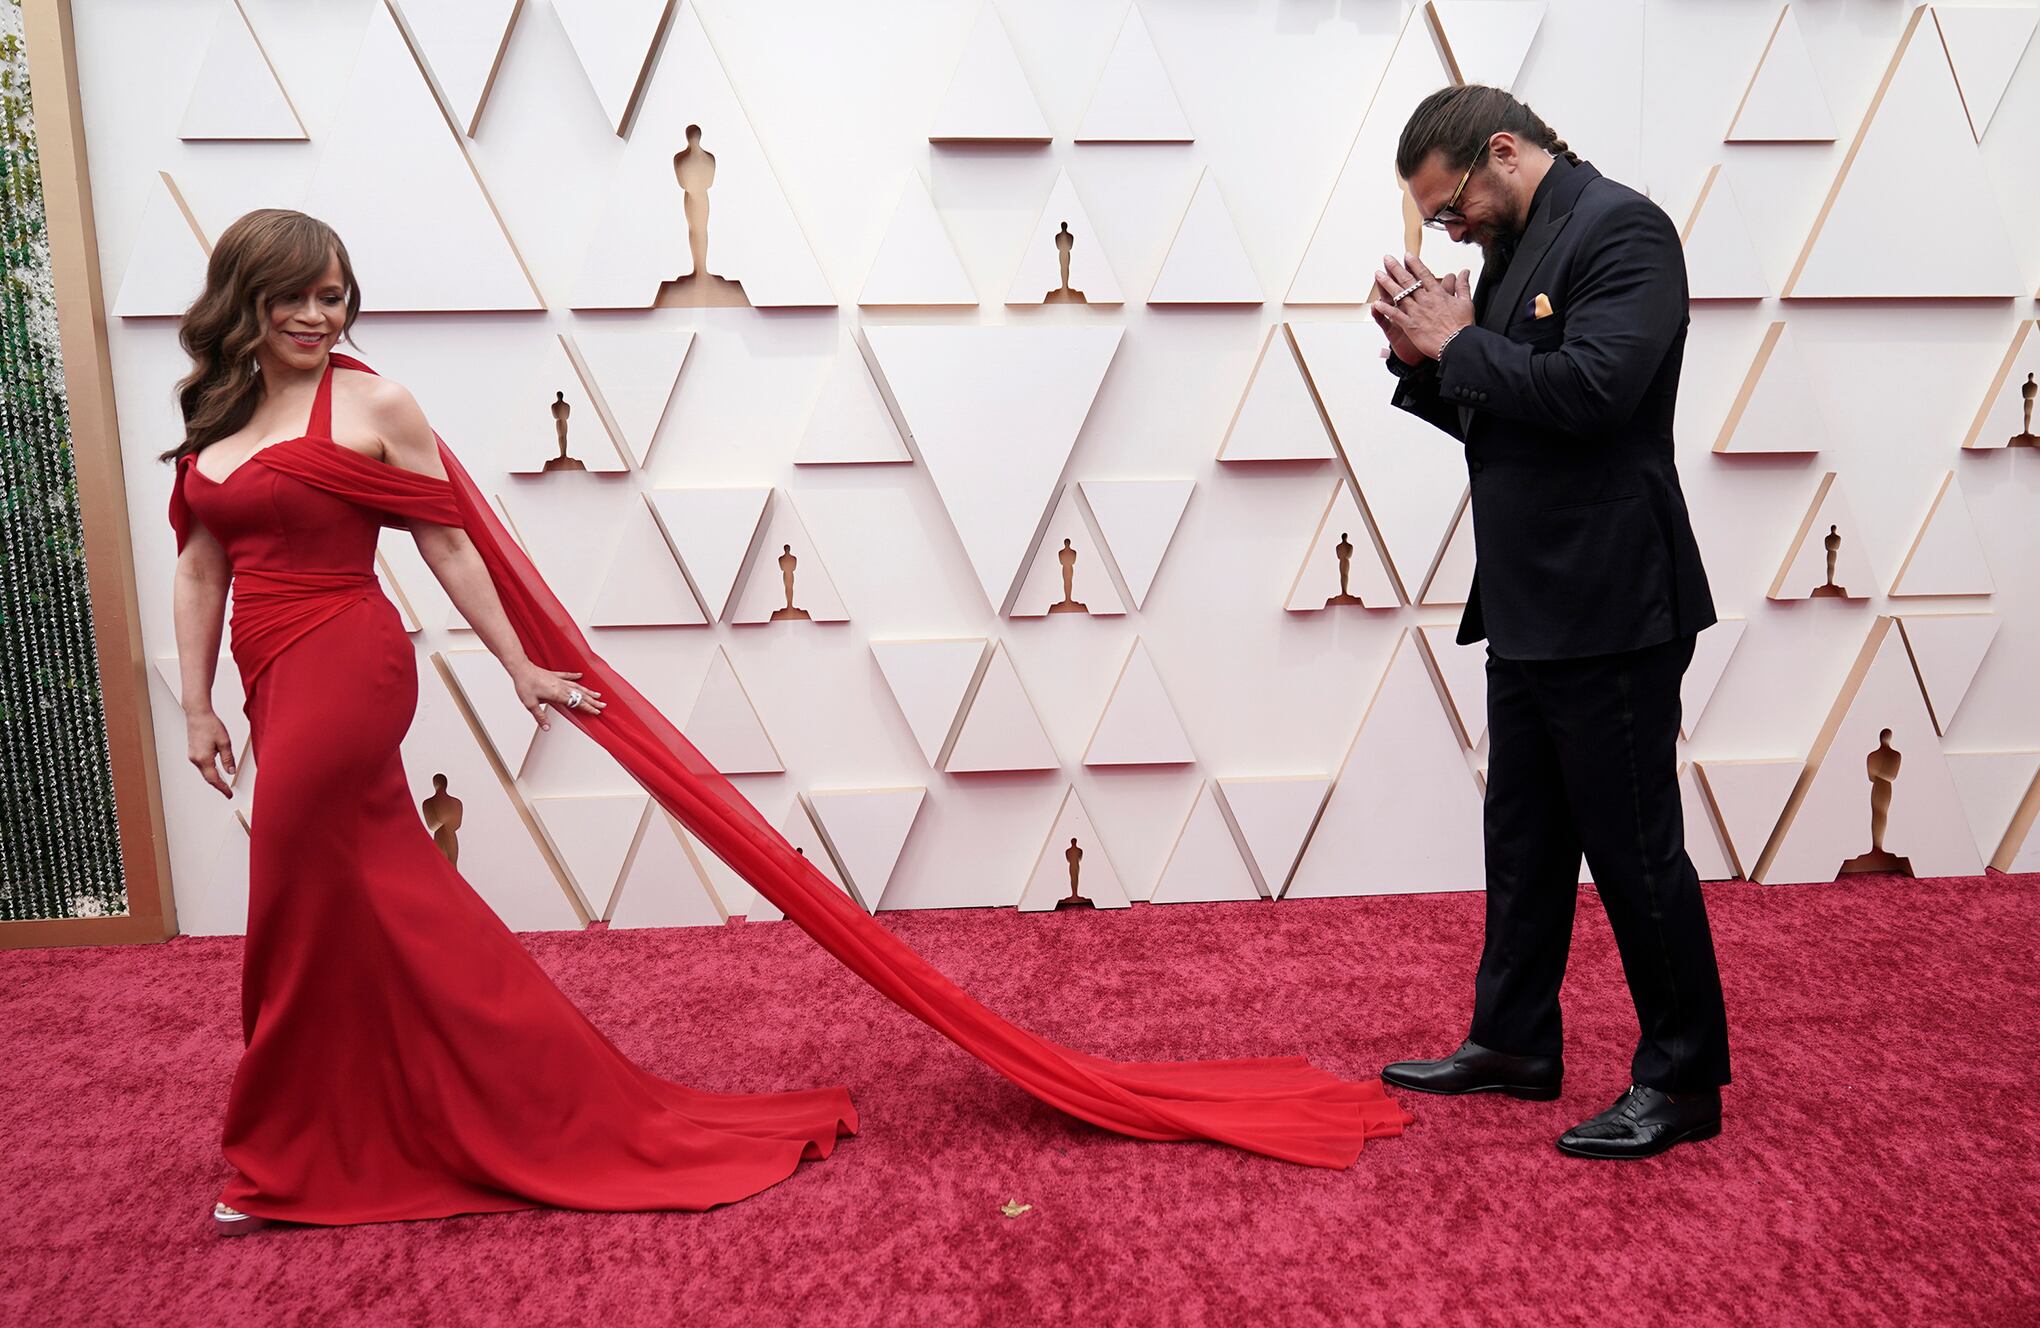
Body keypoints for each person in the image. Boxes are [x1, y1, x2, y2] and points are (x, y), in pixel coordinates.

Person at [166, 210, 1411, 1235]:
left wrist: (521, 666)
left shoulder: (376, 405)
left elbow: (448, 546)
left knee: (296, 897)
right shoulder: (217, 418)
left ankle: (287, 1150)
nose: (321, 315)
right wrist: (198, 703)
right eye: (297, 296)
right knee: (366, 908)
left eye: (335, 294)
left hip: (350, 661)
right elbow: (201, 566)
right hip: (270, 672)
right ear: (245, 299)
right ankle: (404, 1110)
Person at [1367, 86, 1731, 1160]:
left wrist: (1455, 342)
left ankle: (1683, 1079)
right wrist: (1419, 356)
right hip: (1529, 595)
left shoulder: (1625, 230)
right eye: (1436, 219)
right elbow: (1503, 412)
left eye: (1452, 208)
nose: (1449, 231)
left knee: (1635, 852)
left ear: (1505, 151)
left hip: (1613, 599)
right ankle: (1514, 1040)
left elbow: (1593, 393)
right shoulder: (1513, 248)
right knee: (1523, 841)